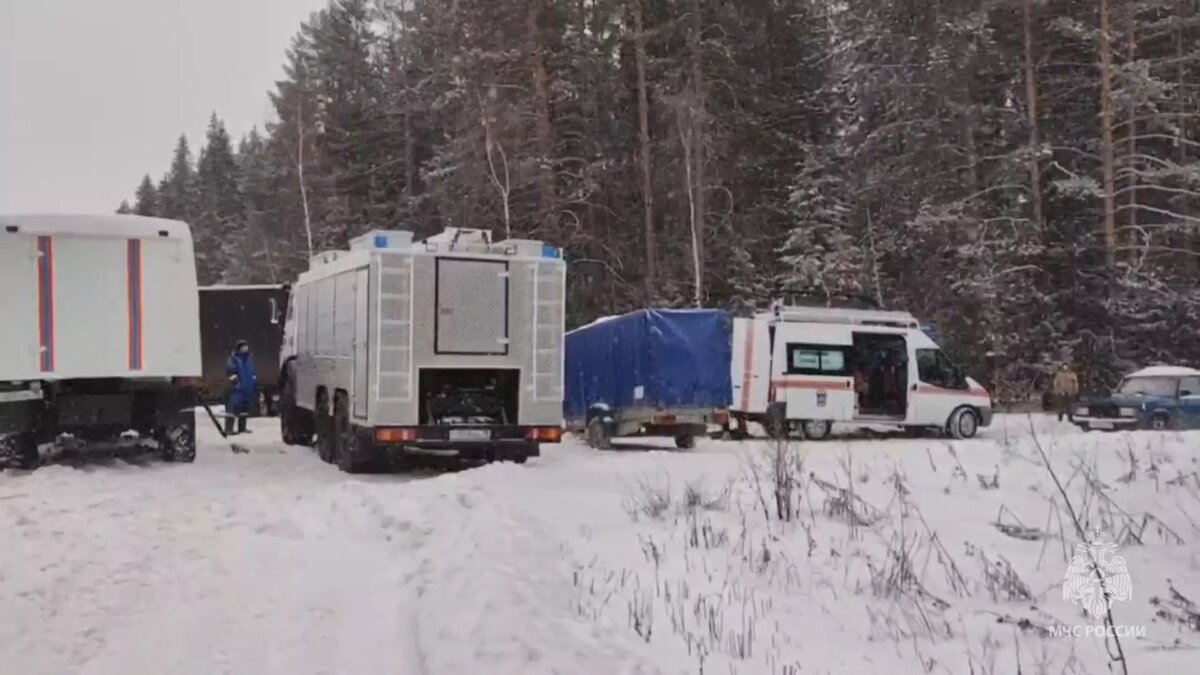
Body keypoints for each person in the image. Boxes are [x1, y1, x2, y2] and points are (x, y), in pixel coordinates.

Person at [225, 340, 257, 435]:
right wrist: (235, 382)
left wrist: (254, 381)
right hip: (237, 389)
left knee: (244, 409)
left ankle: (242, 428)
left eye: (246, 346)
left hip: (247, 388)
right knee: (232, 408)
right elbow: (231, 371)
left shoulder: (249, 360)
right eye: (244, 347)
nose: (246, 348)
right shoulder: (234, 359)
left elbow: (253, 372)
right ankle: (229, 429)